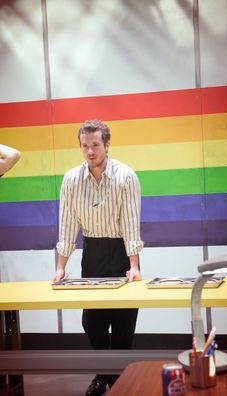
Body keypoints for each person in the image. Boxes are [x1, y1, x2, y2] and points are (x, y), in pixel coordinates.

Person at [54, 119, 144, 396]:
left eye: (95, 145)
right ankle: (108, 374)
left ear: (106, 144)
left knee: (123, 324)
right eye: (85, 146)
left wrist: (134, 266)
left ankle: (113, 380)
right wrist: (60, 267)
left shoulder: (125, 176)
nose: (90, 151)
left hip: (121, 253)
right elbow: (67, 225)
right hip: (91, 252)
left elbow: (131, 223)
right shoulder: (71, 179)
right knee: (91, 322)